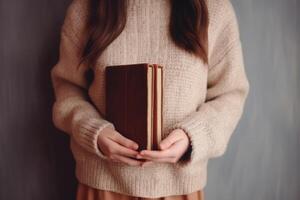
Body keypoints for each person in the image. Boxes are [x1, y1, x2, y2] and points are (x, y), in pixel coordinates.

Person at [50, 0, 250, 199]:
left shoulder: (214, 9)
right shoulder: (86, 9)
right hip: (103, 186)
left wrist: (192, 137)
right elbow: (68, 88)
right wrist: (94, 131)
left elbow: (230, 94)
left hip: (179, 189)